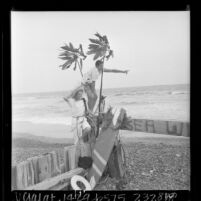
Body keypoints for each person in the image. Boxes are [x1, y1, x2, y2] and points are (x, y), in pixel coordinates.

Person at [64, 88, 93, 165]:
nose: (80, 95)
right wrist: (73, 91)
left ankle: (81, 138)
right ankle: (76, 161)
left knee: (88, 128)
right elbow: (65, 98)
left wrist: (91, 114)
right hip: (76, 121)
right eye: (78, 94)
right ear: (76, 94)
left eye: (81, 94)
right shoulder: (72, 101)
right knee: (76, 143)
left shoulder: (83, 100)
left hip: (83, 119)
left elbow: (87, 111)